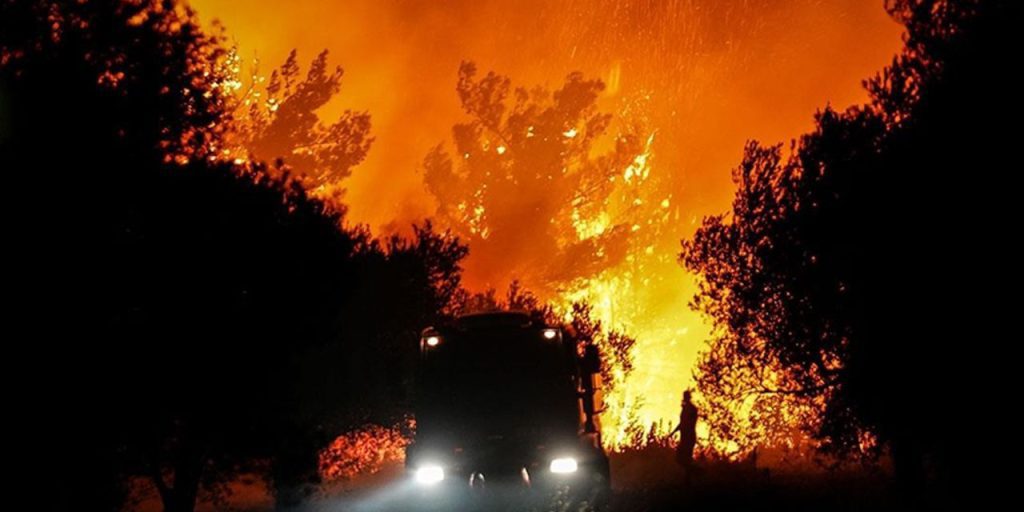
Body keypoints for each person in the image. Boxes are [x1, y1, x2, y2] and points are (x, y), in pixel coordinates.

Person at [671, 390, 699, 478]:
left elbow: (687, 423)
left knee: (683, 459)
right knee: (683, 459)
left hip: (688, 437)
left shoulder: (691, 409)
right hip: (685, 437)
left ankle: (699, 472)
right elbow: (682, 423)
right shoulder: (687, 408)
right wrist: (673, 432)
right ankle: (693, 476)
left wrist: (676, 431)